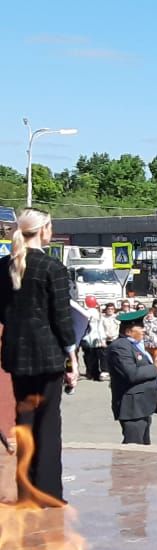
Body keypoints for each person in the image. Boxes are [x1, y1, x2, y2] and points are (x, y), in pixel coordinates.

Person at [0, 209, 76, 501]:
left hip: (16, 354)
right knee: (48, 422)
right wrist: (73, 359)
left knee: (25, 420)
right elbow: (63, 319)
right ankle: (48, 492)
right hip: (49, 354)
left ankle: (26, 492)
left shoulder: (3, 267)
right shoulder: (51, 267)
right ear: (44, 230)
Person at [106, 309, 157, 444]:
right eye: (140, 327)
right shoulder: (120, 347)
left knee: (143, 447)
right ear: (128, 331)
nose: (144, 330)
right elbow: (131, 374)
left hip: (142, 406)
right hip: (132, 407)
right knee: (133, 447)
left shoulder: (135, 346)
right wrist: (155, 367)